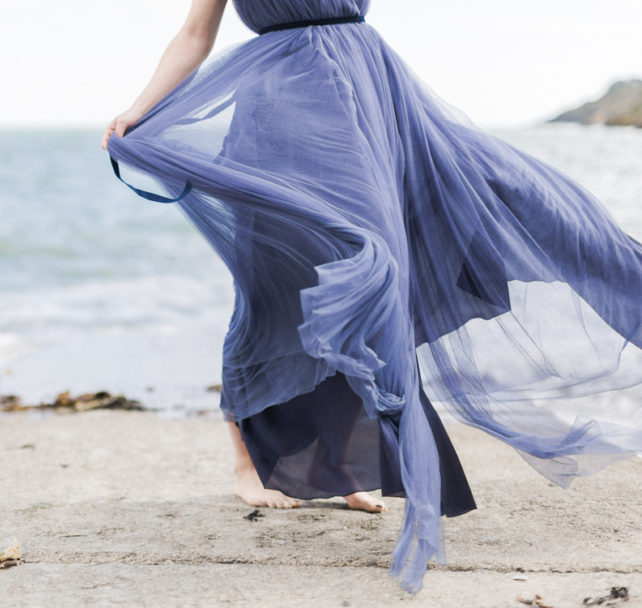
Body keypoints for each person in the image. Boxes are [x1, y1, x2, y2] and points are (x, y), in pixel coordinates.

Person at [101, 0, 642, 594]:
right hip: (278, 107)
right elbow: (194, 34)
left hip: (369, 96)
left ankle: (341, 465)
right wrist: (140, 108)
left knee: (440, 235)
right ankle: (249, 461)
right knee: (276, 287)